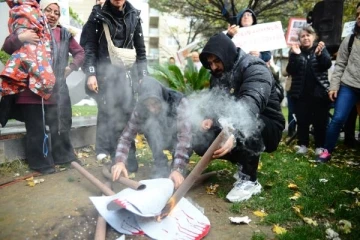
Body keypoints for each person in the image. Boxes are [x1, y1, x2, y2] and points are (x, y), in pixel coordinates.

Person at [192, 33, 285, 202]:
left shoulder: (255, 67)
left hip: (267, 124)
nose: (213, 67)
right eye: (210, 63)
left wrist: (233, 135)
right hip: (234, 123)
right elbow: (217, 101)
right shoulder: (218, 74)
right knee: (200, 141)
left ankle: (249, 180)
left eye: (216, 61)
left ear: (226, 54)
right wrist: (209, 118)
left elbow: (251, 104)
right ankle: (243, 159)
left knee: (251, 123)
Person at [1, 0, 85, 174]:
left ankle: (63, 157)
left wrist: (71, 68)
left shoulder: (63, 34)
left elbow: (80, 53)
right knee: (36, 128)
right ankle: (41, 163)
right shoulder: (29, 26)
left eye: (56, 12)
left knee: (59, 125)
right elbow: (7, 46)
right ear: (41, 12)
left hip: (54, 89)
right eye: (49, 10)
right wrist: (21, 38)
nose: (52, 14)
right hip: (29, 91)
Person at [81, 0, 148, 168]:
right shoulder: (96, 16)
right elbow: (89, 48)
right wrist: (91, 74)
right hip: (105, 76)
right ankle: (105, 155)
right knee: (107, 113)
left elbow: (141, 50)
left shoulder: (134, 15)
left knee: (127, 115)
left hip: (127, 76)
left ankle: (128, 159)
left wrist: (143, 75)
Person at [111, 77, 192, 189]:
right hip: (160, 136)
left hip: (178, 138)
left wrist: (177, 169)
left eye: (155, 103)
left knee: (177, 173)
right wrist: (119, 161)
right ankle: (160, 164)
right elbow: (126, 137)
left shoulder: (179, 102)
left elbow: (184, 137)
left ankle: (177, 164)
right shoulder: (140, 109)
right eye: (147, 105)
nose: (152, 109)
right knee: (149, 126)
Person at [317, 3, 360, 162]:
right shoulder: (349, 39)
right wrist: (334, 86)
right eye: (357, 14)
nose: (359, 17)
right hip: (348, 86)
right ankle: (326, 151)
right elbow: (340, 64)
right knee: (338, 118)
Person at [286, 26, 332, 155]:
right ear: (299, 39)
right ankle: (303, 145)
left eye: (308, 35)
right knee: (302, 120)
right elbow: (291, 70)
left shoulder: (321, 48)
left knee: (320, 121)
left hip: (319, 93)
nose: (305, 38)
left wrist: (319, 55)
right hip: (301, 93)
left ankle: (319, 146)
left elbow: (326, 64)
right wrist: (296, 56)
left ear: (314, 36)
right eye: (302, 36)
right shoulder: (295, 51)